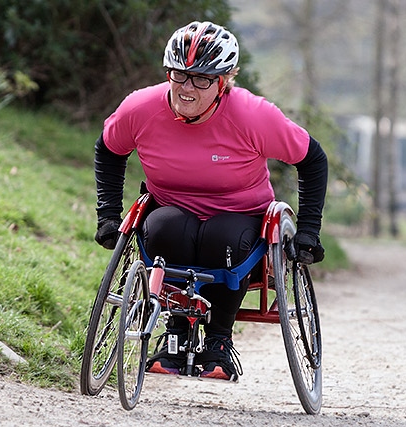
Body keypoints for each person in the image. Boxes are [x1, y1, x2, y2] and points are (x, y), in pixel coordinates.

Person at [93, 21, 328, 381]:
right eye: (179, 75)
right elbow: (108, 150)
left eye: (201, 79)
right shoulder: (140, 108)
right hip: (171, 210)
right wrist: (107, 216)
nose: (187, 88)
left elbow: (312, 159)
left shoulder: (252, 114)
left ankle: (218, 340)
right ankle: (176, 333)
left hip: (240, 218)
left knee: (224, 237)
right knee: (163, 227)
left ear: (224, 81)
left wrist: (309, 232)